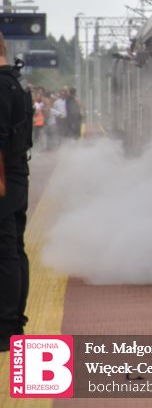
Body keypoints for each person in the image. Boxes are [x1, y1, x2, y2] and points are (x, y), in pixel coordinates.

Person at [0, 32, 35, 351]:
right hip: (17, 173)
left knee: (5, 251)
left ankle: (6, 329)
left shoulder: (1, 85)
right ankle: (12, 324)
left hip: (4, 178)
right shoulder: (18, 83)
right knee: (14, 249)